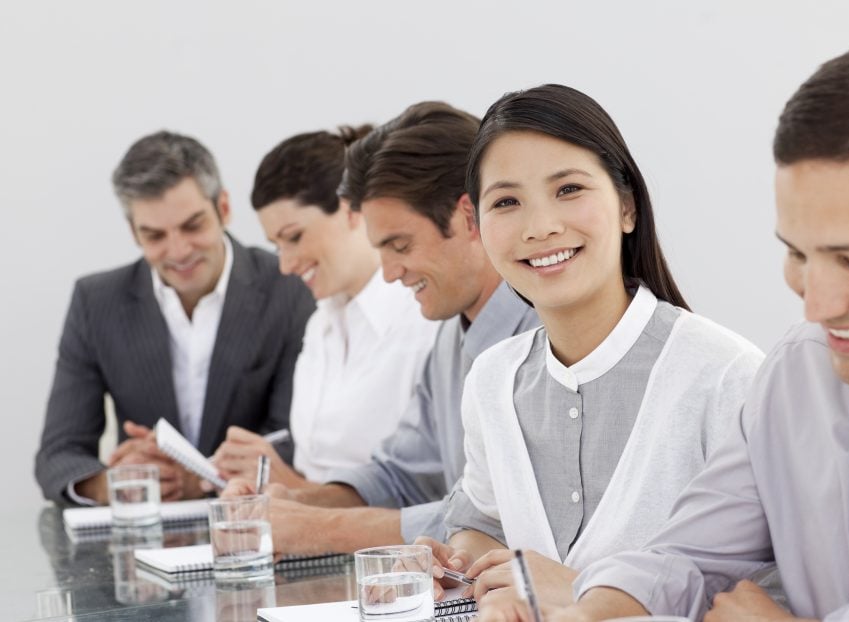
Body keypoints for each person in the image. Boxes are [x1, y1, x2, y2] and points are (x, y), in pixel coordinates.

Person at [538, 41, 849, 622]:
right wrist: (594, 611)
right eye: (797, 253)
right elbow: (685, 558)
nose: (815, 307)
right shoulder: (801, 368)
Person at [416, 84, 763, 606]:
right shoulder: (492, 379)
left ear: (627, 208)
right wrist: (464, 569)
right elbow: (481, 521)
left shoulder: (725, 375)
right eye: (507, 201)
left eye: (569, 189)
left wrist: (584, 592)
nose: (540, 227)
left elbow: (766, 595)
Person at [222, 102, 539, 552]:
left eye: (400, 245)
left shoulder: (546, 336)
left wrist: (315, 529)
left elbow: (506, 519)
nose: (389, 273)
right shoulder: (452, 335)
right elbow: (398, 475)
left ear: (468, 217)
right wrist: (290, 505)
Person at [35, 130, 314, 505]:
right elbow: (57, 454)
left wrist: (202, 479)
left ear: (224, 208)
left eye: (192, 225)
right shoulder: (95, 302)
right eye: (154, 235)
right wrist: (116, 484)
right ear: (134, 233)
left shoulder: (289, 286)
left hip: (255, 524)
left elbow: (299, 439)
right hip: (145, 538)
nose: (178, 251)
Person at [208, 126, 440, 488]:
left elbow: (423, 493)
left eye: (294, 237)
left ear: (351, 211)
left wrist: (287, 485)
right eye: (276, 246)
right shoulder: (320, 326)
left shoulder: (422, 321)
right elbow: (314, 469)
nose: (285, 265)